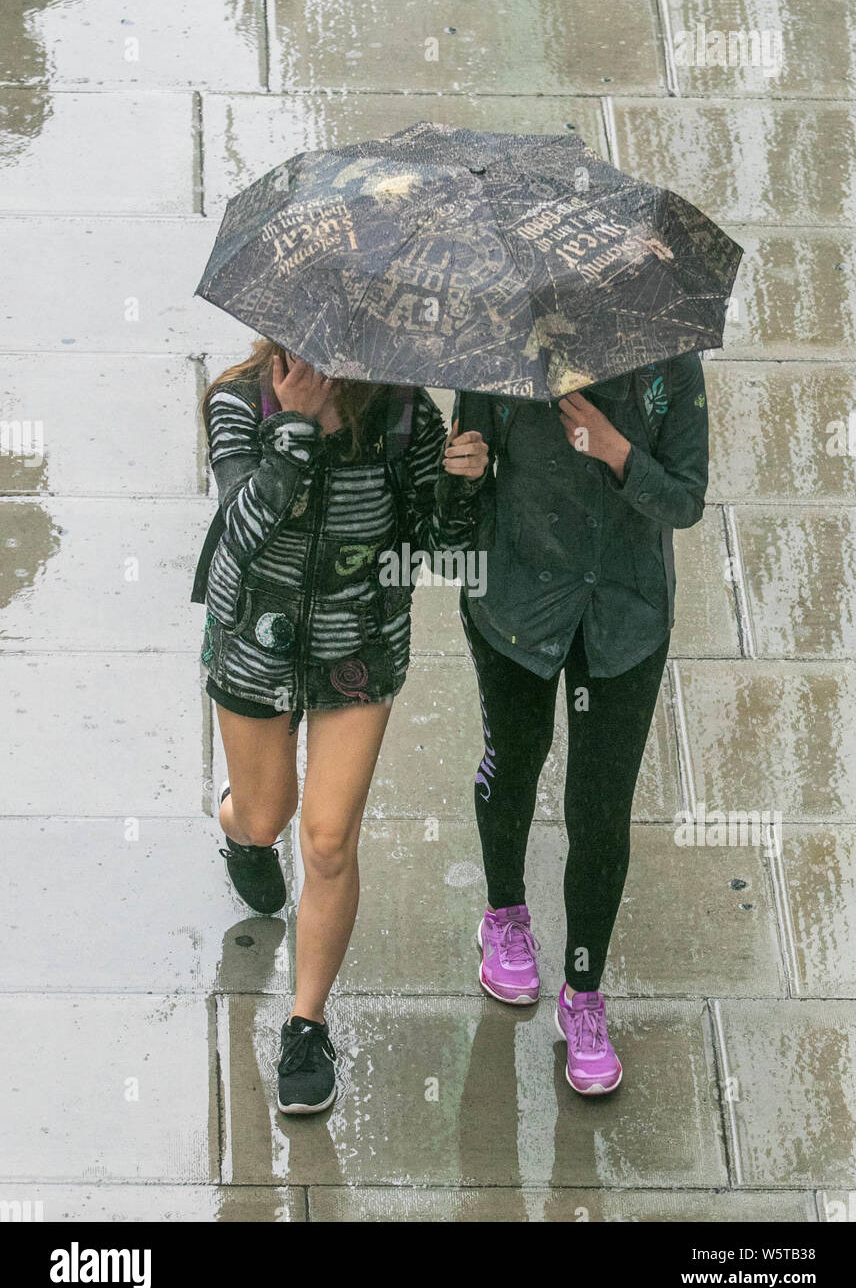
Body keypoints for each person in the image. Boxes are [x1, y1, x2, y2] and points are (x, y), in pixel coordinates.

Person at [194, 339, 488, 1113]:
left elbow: (444, 555)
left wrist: (462, 487)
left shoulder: (402, 416)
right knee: (270, 814)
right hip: (255, 643)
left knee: (327, 840)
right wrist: (292, 431)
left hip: (357, 653)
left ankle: (306, 1021)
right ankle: (239, 826)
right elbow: (238, 535)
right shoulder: (238, 401)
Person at [457, 352, 708, 1096]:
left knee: (599, 813)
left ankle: (584, 993)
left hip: (625, 620)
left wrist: (617, 450)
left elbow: (687, 501)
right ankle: (504, 915)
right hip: (515, 608)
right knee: (517, 763)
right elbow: (463, 491)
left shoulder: (673, 369)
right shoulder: (497, 357)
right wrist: (457, 472)